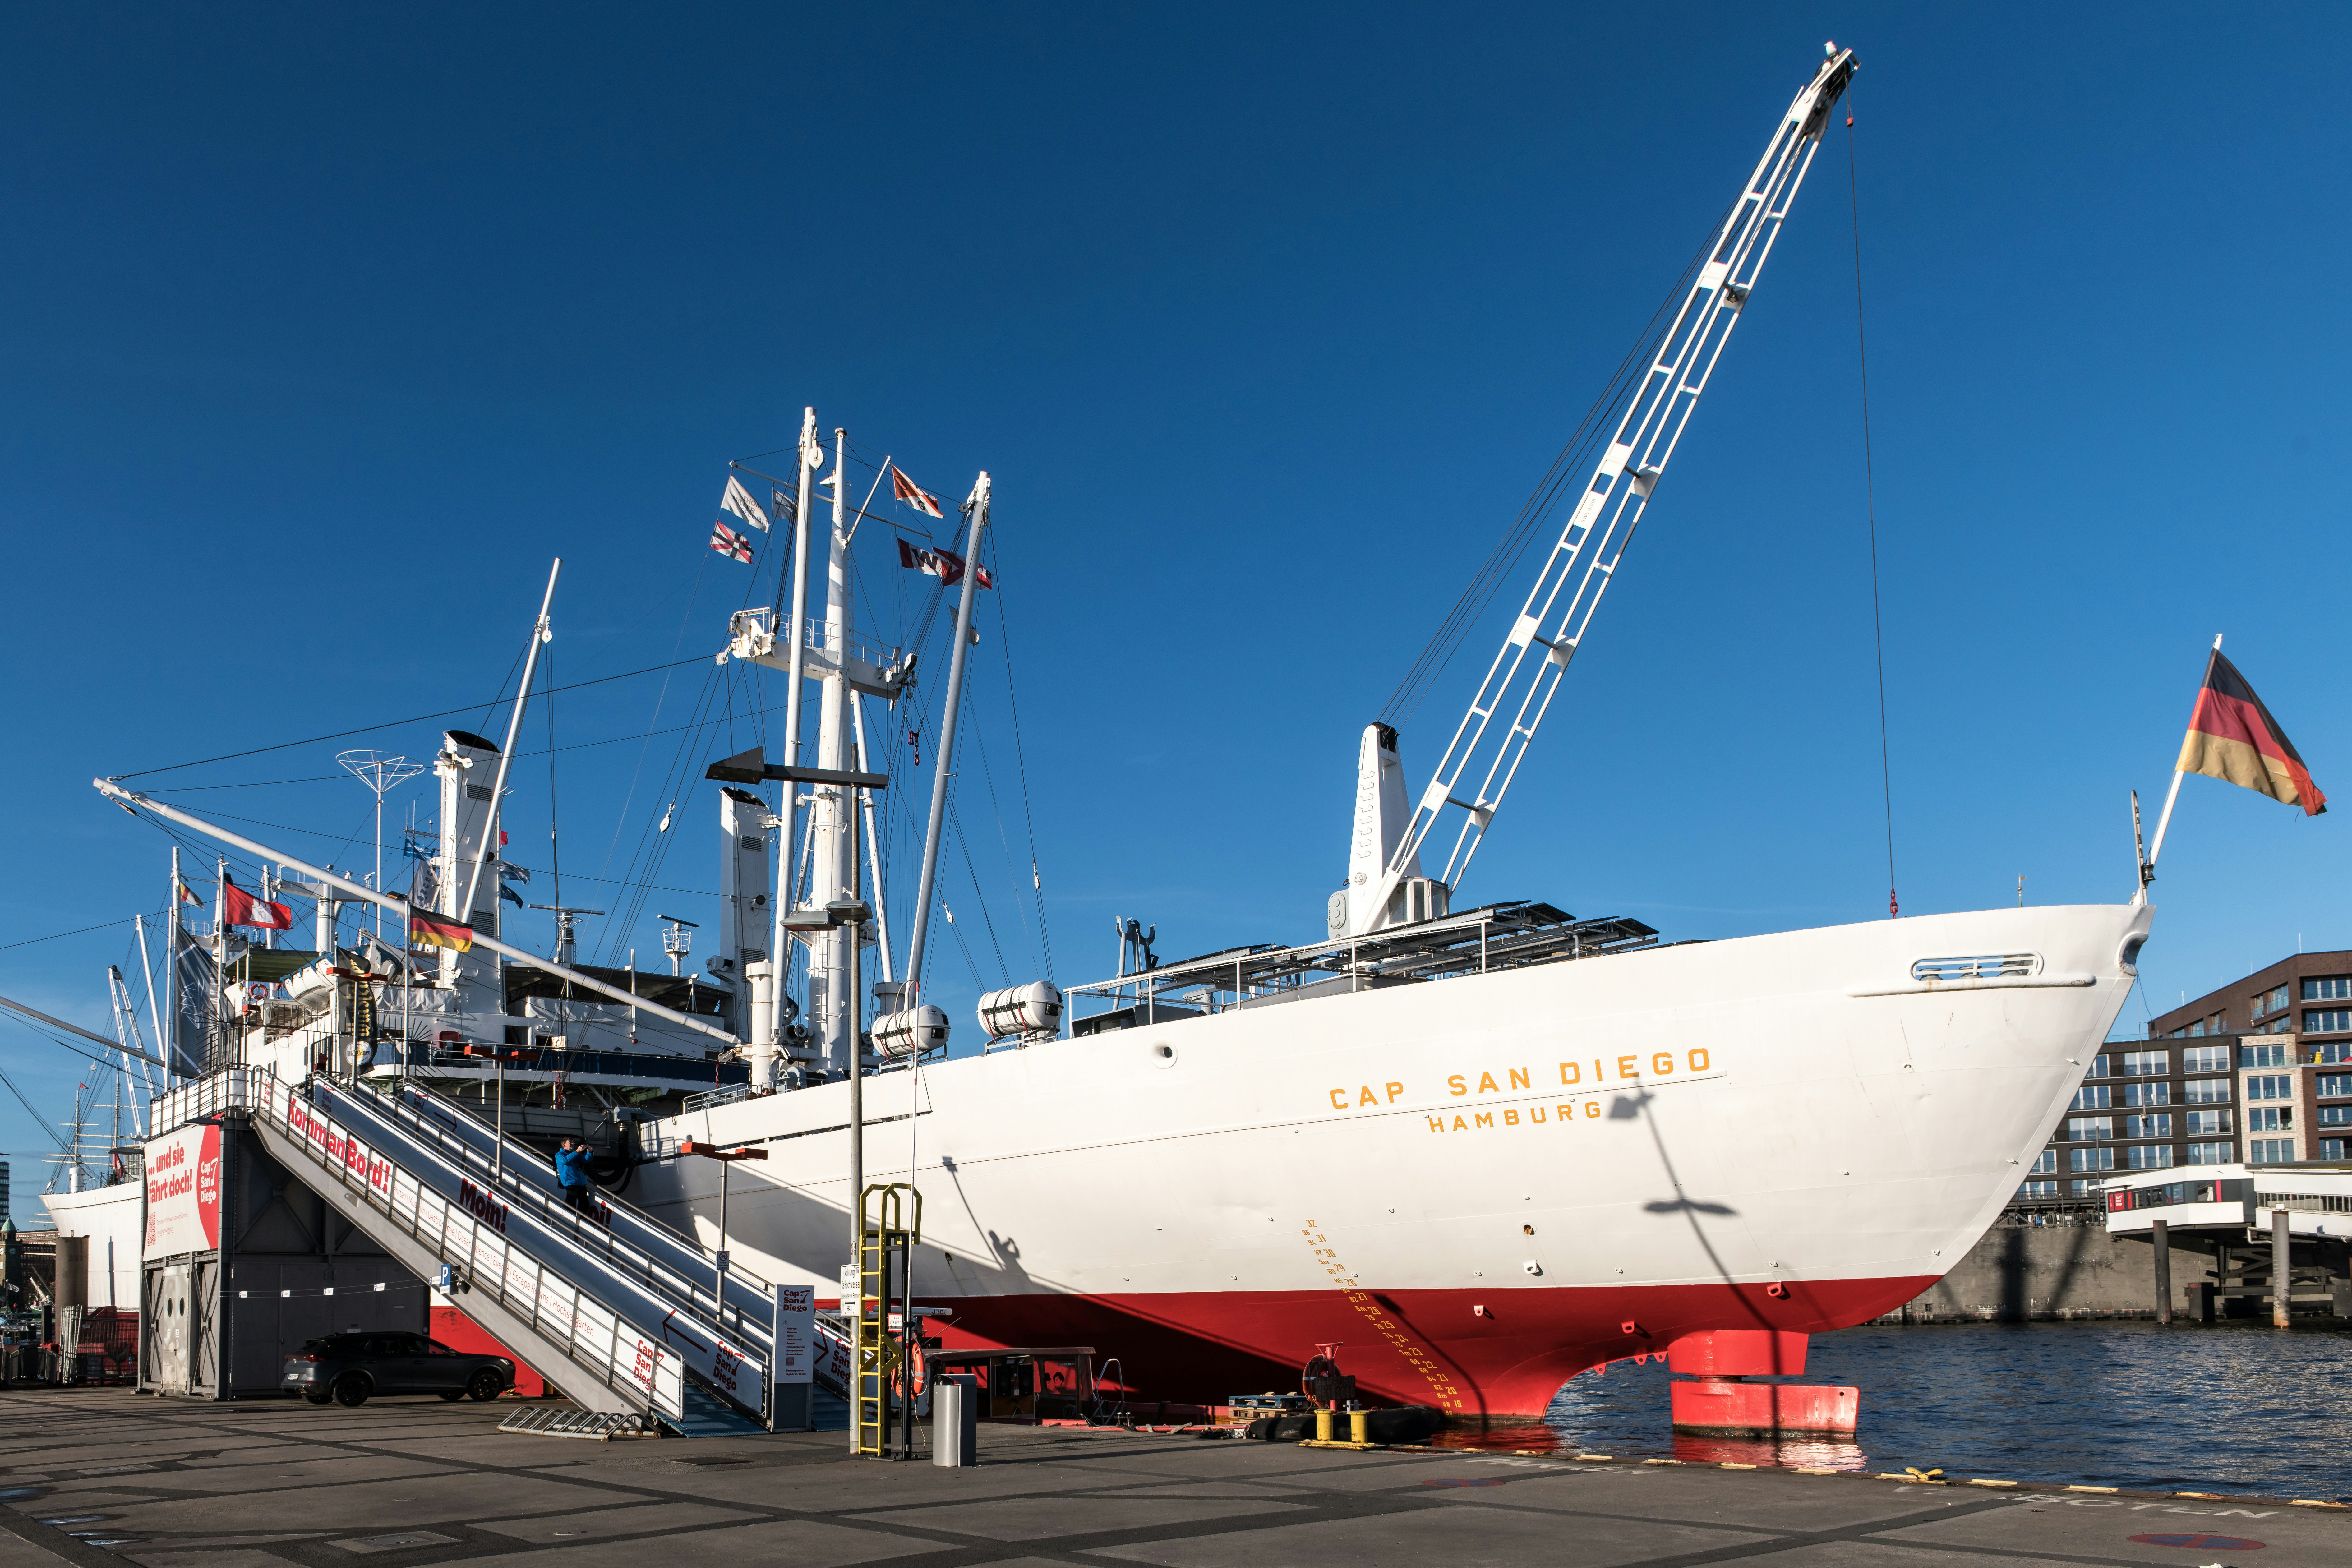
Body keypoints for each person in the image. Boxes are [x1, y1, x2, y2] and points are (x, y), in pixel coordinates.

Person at [554, 1138, 595, 1218]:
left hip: (580, 1183)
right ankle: (571, 1221)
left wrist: (590, 1152)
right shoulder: (559, 1155)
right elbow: (565, 1161)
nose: (573, 1144)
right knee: (571, 1204)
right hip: (571, 1183)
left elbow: (586, 1160)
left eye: (573, 1142)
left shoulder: (575, 1154)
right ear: (564, 1145)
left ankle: (581, 1221)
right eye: (570, 1143)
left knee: (586, 1205)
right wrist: (577, 1152)